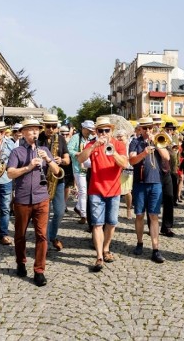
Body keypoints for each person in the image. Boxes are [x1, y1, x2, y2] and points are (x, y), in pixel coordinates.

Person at [7, 118, 61, 287]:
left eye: (36, 130)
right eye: (30, 130)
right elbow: (10, 173)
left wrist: (49, 160)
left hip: (41, 198)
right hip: (22, 199)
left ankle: (39, 270)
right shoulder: (17, 152)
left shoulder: (44, 149)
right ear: (23, 133)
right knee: (20, 235)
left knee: (41, 235)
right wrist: (28, 167)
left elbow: (58, 172)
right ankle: (21, 262)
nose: (34, 133)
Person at [77, 116, 128, 272]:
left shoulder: (118, 144)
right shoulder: (91, 143)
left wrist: (113, 153)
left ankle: (106, 248)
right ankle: (99, 256)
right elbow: (80, 159)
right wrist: (93, 147)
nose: (104, 133)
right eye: (101, 130)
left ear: (111, 131)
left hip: (113, 190)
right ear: (96, 131)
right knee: (97, 224)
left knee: (112, 222)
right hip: (96, 190)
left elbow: (125, 164)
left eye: (106, 130)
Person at [129, 117, 169, 263]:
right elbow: (131, 161)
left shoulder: (159, 140)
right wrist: (144, 153)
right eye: (145, 128)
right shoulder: (135, 142)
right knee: (139, 215)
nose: (147, 131)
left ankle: (155, 249)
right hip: (140, 183)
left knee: (154, 216)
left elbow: (167, 157)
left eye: (150, 128)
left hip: (155, 182)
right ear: (140, 129)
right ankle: (139, 242)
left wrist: (157, 145)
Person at [38, 114, 70, 252]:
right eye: (48, 126)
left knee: (60, 211)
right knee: (43, 213)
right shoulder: (38, 139)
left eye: (54, 126)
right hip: (41, 179)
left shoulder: (61, 139)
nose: (51, 129)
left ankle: (52, 235)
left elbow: (68, 159)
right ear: (44, 125)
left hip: (57, 179)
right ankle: (43, 240)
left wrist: (61, 161)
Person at [68, 120, 95, 226]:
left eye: (90, 130)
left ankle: (79, 208)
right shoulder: (76, 137)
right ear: (83, 128)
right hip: (78, 168)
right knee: (83, 191)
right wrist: (79, 153)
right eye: (88, 130)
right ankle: (84, 215)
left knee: (87, 191)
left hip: (89, 169)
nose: (89, 132)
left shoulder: (91, 139)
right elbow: (69, 149)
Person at [58, 125, 74, 212]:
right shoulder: (57, 140)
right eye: (62, 134)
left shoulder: (71, 141)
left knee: (67, 186)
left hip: (68, 166)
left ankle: (64, 203)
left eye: (66, 134)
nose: (64, 136)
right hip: (58, 166)